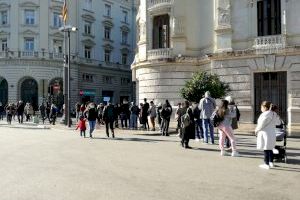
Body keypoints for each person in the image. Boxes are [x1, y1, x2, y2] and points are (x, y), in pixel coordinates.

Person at [255, 101, 278, 169]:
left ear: (265, 107)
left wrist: (256, 130)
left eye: (261, 107)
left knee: (266, 149)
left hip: (265, 132)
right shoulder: (274, 113)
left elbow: (261, 124)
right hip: (272, 132)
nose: (261, 108)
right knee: (270, 148)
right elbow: (278, 122)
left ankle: (266, 164)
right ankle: (271, 162)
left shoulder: (265, 114)